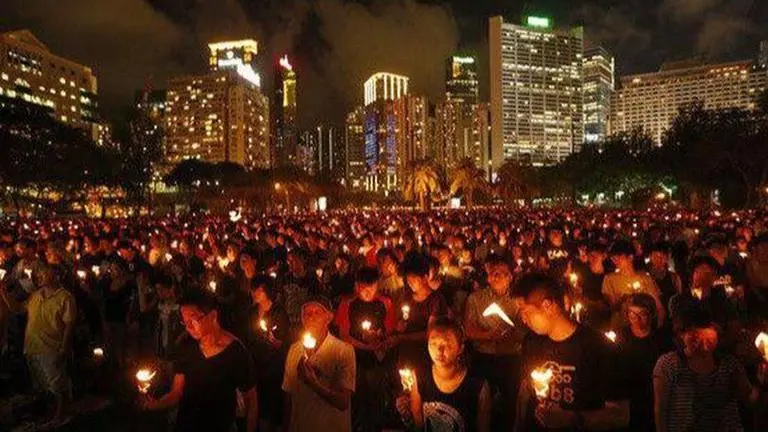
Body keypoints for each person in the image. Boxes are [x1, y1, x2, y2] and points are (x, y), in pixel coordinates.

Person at [515, 273, 629, 432]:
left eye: (525, 311)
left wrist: (572, 418)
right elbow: (526, 393)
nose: (523, 319)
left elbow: (621, 415)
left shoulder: (598, 347)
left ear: (548, 305)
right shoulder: (531, 341)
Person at [139, 290, 258, 432]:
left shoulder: (236, 352)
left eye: (193, 320)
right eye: (185, 322)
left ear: (213, 315)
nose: (188, 327)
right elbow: (177, 393)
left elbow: (251, 401)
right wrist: (156, 404)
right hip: (186, 425)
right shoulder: (186, 346)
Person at [653, 309, 765, 432]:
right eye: (696, 337)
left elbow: (749, 399)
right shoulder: (669, 364)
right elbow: (661, 408)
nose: (704, 344)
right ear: (681, 335)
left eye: (709, 338)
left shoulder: (729, 364)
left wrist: (761, 381)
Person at [3, 264, 76, 428]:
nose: (40, 277)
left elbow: (69, 326)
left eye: (44, 274)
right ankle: (48, 412)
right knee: (41, 385)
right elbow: (17, 309)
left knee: (56, 385)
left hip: (51, 348)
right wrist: (3, 291)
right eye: (40, 274)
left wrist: (63, 348)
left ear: (56, 275)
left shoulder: (65, 297)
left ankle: (60, 414)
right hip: (32, 347)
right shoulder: (36, 295)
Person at [397, 317, 491, 432]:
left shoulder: (477, 385)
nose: (439, 350)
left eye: (447, 344)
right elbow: (419, 425)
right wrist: (406, 414)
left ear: (460, 348)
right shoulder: (420, 377)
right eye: (433, 343)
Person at [463, 254, 524, 429]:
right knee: (481, 402)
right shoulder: (476, 299)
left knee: (509, 402)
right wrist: (489, 335)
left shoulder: (518, 301)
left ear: (510, 277)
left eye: (501, 273)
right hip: (484, 357)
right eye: (493, 273)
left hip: (510, 357)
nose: (495, 277)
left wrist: (512, 332)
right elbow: (467, 330)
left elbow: (525, 329)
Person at [282, 297, 356, 432]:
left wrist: (313, 383)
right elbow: (289, 395)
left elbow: (343, 402)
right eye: (307, 313)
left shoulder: (343, 350)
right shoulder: (295, 349)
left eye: (317, 312)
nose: (311, 317)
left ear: (328, 318)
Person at [615, 293, 672, 432]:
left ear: (651, 315)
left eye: (642, 314)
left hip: (654, 395)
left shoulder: (662, 340)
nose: (636, 319)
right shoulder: (621, 336)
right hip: (629, 396)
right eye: (632, 314)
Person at [602, 240, 665, 328]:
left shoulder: (644, 277)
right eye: (613, 258)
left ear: (630, 257)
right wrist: (624, 300)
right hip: (621, 326)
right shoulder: (609, 279)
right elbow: (612, 308)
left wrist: (659, 327)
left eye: (618, 257)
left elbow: (658, 307)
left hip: (643, 327)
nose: (615, 260)